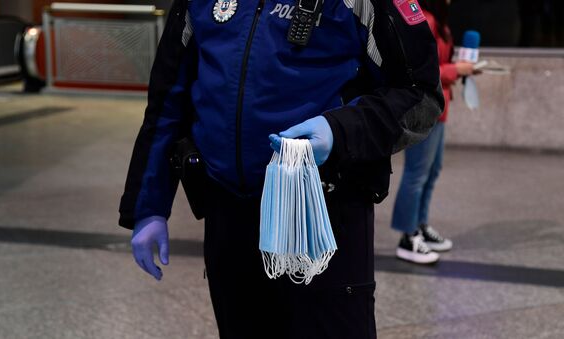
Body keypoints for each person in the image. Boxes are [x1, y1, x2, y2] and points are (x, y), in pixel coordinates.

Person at [119, 0, 443, 338]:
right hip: (228, 216)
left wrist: (338, 131)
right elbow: (167, 101)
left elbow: (420, 94)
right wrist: (149, 207)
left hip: (322, 215)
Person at [390, 0, 478, 265]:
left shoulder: (439, 21)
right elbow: (417, 71)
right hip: (423, 109)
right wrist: (455, 70)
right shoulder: (423, 19)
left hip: (440, 109)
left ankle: (420, 225)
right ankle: (408, 237)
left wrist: (462, 67)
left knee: (432, 170)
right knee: (417, 173)